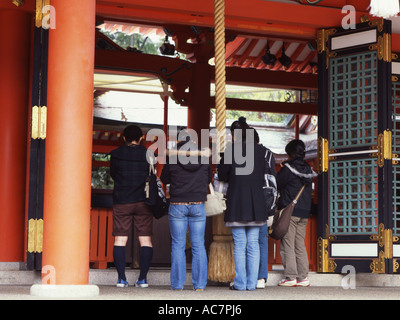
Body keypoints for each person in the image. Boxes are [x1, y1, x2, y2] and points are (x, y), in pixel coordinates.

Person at [218, 117, 268, 291]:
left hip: (237, 201)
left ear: (235, 134)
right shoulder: (260, 152)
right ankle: (252, 283)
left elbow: (222, 175)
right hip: (256, 202)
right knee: (253, 244)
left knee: (240, 245)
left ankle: (240, 284)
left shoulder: (231, 150)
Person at [160, 129, 212, 291]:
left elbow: (164, 178)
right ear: (194, 142)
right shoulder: (203, 158)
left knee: (178, 245)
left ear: (179, 141)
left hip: (177, 205)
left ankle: (177, 285)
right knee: (198, 245)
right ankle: (200, 285)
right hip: (198, 204)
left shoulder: (173, 158)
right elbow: (208, 178)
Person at [110, 125, 153, 288]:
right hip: (144, 201)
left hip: (122, 200)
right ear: (141, 138)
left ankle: (121, 278)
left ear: (123, 138)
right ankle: (143, 279)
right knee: (145, 239)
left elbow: (113, 175)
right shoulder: (148, 154)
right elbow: (152, 174)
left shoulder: (116, 154)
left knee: (120, 239)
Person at [276, 139, 317, 287]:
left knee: (287, 243)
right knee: (300, 244)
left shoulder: (288, 168)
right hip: (304, 211)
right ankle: (303, 277)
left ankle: (290, 276)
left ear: (291, 153)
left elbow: (278, 183)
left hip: (290, 211)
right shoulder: (308, 168)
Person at [253, 128, 276, 289]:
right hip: (264, 200)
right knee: (261, 239)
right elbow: (273, 180)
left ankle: (248, 276)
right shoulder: (268, 154)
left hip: (248, 199)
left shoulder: (243, 153)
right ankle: (261, 277)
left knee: (245, 241)